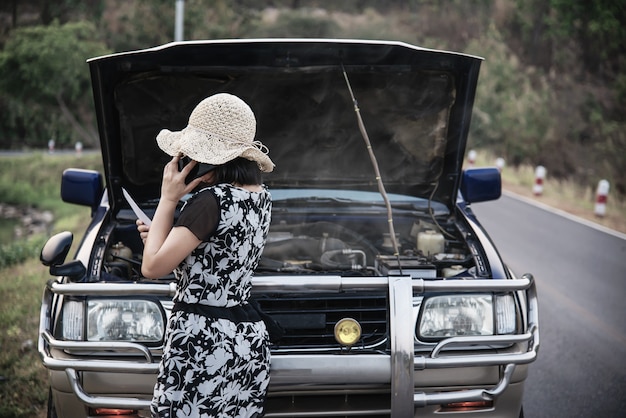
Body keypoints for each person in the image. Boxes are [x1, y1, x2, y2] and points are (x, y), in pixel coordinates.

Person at [136, 93, 275, 418]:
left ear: (206, 160)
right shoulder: (262, 197)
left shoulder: (211, 201)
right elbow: (216, 259)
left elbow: (152, 267)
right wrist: (161, 236)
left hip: (202, 343)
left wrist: (168, 198)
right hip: (246, 342)